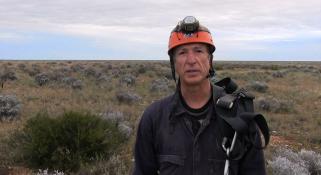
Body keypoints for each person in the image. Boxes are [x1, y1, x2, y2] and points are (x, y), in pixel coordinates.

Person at [133, 16, 267, 175]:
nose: (191, 60)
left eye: (198, 51)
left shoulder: (239, 116)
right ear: (173, 62)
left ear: (210, 59)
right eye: (182, 52)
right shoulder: (154, 118)